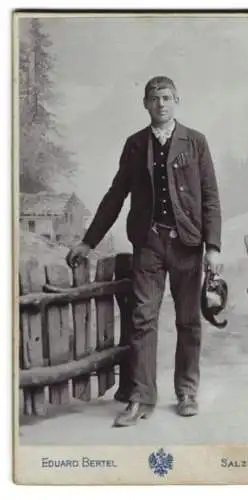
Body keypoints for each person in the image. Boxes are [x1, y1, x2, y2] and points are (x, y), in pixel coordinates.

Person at [66, 76, 222, 427]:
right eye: (154, 98)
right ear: (145, 104)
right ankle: (141, 397)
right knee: (142, 320)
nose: (161, 104)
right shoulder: (135, 145)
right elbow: (115, 195)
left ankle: (186, 392)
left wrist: (212, 246)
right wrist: (88, 241)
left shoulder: (196, 142)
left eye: (167, 97)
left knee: (188, 322)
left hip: (187, 244)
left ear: (177, 100)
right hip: (149, 244)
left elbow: (211, 197)